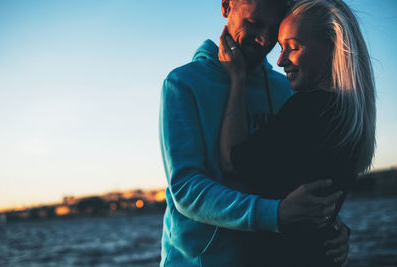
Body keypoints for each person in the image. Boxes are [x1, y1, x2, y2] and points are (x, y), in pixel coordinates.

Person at [159, 0, 351, 266]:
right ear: (226, 6)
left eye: (274, 29)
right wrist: (274, 213)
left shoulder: (286, 88)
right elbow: (186, 188)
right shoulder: (183, 84)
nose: (264, 40)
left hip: (267, 255)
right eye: (254, 23)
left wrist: (332, 224)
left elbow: (299, 173)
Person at [218, 0, 376, 266]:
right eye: (281, 48)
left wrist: (237, 80)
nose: (280, 61)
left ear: (331, 48)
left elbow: (233, 162)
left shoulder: (309, 108)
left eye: (293, 47)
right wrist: (336, 225)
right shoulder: (349, 114)